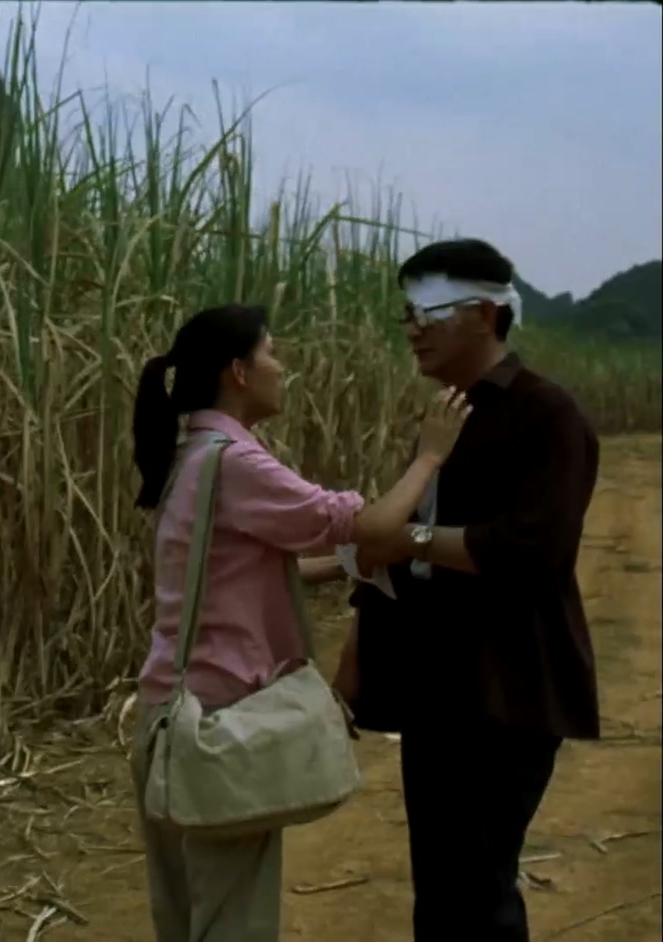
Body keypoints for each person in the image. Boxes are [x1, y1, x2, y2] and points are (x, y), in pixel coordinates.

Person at [127, 303, 471, 942]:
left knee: (183, 921)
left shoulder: (193, 456)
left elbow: (248, 571)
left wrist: (349, 566)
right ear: (238, 371)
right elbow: (368, 523)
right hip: (218, 726)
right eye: (271, 352)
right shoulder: (235, 461)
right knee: (232, 926)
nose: (281, 367)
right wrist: (430, 457)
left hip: (166, 718)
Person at [339, 239, 601, 942]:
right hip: (437, 688)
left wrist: (411, 539)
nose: (412, 330)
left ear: (484, 315)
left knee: (479, 885)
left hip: (507, 689)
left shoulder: (547, 414)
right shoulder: (449, 415)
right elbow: (394, 551)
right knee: (442, 885)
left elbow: (533, 547)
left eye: (426, 313)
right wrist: (358, 653)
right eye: (406, 315)